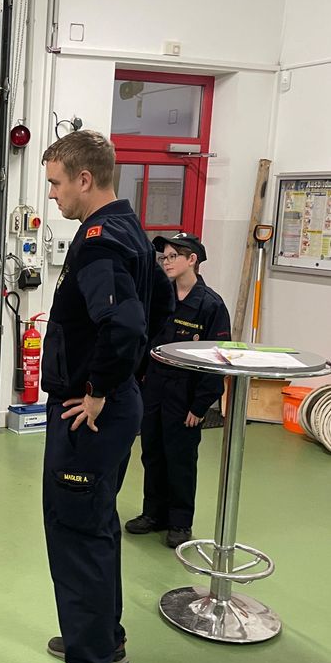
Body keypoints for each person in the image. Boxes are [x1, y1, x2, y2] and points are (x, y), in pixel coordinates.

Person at [26, 130, 173, 663]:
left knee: (77, 533)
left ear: (85, 179)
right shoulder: (129, 228)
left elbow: (127, 325)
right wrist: (124, 382)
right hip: (114, 406)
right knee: (98, 525)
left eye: (56, 183)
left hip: (88, 415)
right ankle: (104, 642)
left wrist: (99, 391)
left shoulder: (99, 241)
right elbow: (161, 304)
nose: (52, 195)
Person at [125, 233, 231, 548]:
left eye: (173, 256)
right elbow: (144, 342)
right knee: (152, 453)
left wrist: (200, 406)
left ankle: (180, 523)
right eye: (164, 257)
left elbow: (217, 360)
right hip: (154, 388)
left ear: (192, 260)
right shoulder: (160, 297)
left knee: (180, 459)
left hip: (185, 394)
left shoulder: (210, 305)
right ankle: (153, 514)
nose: (166, 262)